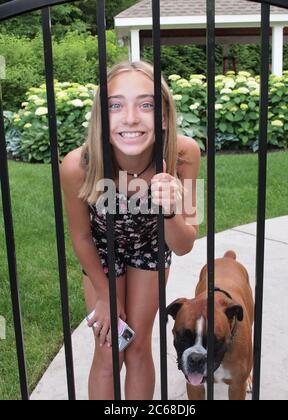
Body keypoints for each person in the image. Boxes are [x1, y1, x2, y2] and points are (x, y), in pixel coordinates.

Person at [60, 61, 201, 400]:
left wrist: (168, 210)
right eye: (116, 105)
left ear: (164, 116)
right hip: (102, 254)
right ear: (101, 118)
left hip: (151, 250)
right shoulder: (78, 166)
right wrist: (105, 294)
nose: (132, 118)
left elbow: (184, 244)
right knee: (110, 350)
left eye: (147, 104)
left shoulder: (184, 155)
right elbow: (80, 236)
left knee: (136, 346)